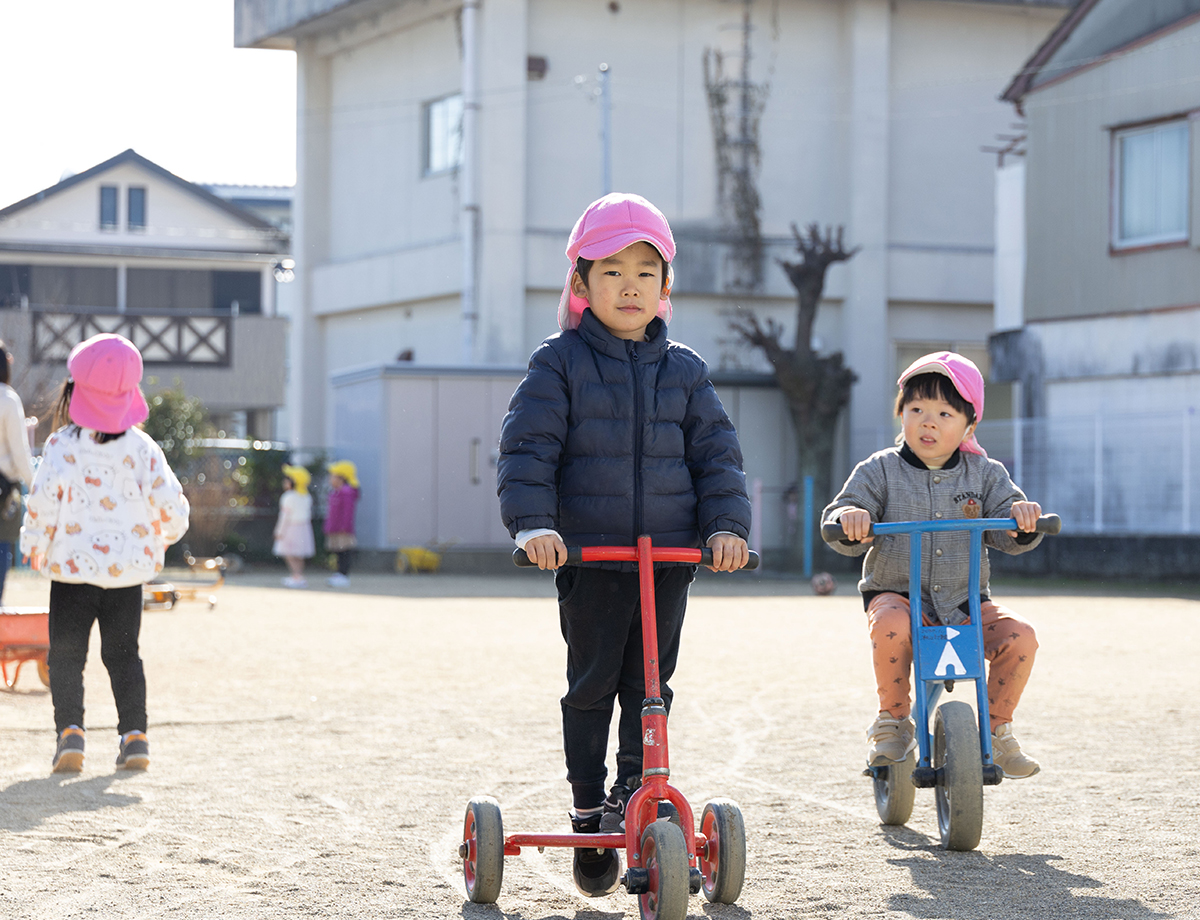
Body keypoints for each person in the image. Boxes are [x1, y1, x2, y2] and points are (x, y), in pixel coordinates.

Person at [497, 192, 752, 898]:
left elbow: (717, 459)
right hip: (590, 557)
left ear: (666, 287)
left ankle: (638, 793)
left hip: (668, 558)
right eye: (610, 270)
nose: (630, 284)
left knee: (651, 688)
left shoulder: (687, 370)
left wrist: (726, 531)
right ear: (579, 285)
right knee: (592, 685)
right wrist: (535, 526)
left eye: (646, 270)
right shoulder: (559, 363)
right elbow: (528, 450)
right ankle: (589, 809)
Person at [822, 351, 1045, 780]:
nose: (929, 422)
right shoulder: (879, 470)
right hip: (899, 596)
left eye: (945, 413)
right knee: (891, 624)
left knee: (1021, 637)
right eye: (917, 409)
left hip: (965, 603)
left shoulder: (985, 473)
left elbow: (1008, 523)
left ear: (969, 424)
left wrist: (1022, 522)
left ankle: (997, 730)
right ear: (900, 414)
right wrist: (851, 522)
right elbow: (843, 513)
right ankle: (893, 719)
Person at [21, 333, 190, 773]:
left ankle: (71, 734)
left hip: (72, 569)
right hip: (127, 573)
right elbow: (172, 506)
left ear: (75, 390)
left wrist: (33, 546)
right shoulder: (143, 449)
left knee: (66, 655)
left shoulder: (60, 446)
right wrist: (165, 534)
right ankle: (135, 738)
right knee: (123, 655)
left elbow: (41, 505)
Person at [0, 339, 36, 602]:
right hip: (3, 488)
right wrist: (35, 484)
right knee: (2, 546)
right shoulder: (7, 399)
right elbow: (20, 452)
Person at [273, 465, 314, 588]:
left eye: (287, 479)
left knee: (289, 553)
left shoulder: (288, 496)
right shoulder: (307, 496)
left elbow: (284, 517)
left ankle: (296, 576)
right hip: (304, 527)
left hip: (290, 528)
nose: (285, 482)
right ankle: (299, 575)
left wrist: (279, 531)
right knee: (299, 553)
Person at [323, 460, 359, 587]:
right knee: (338, 551)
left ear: (342, 478)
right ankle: (339, 573)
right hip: (334, 527)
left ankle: (344, 575)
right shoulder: (335, 492)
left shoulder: (346, 492)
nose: (330, 479)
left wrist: (345, 526)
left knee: (344, 552)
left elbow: (348, 512)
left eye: (333, 476)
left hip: (342, 528)